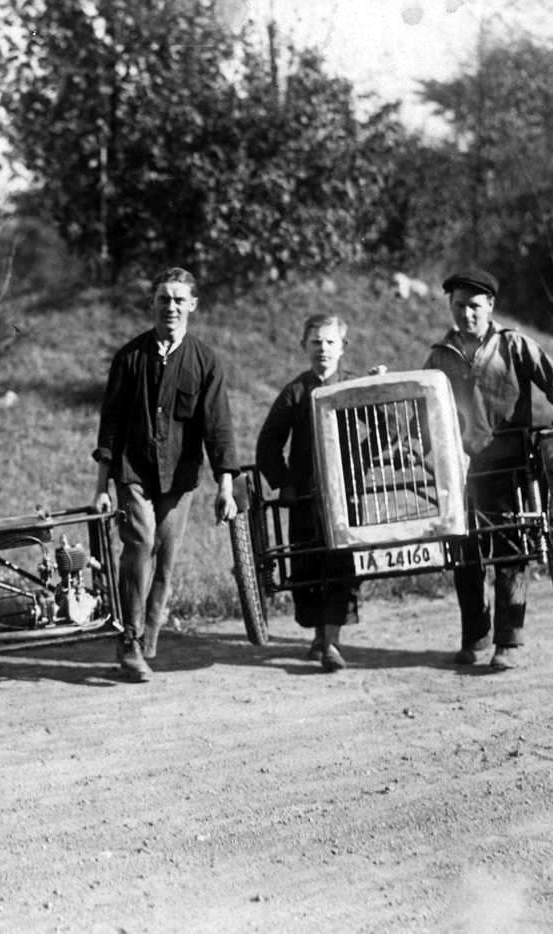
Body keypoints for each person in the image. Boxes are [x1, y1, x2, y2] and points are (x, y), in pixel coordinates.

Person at [425, 267, 553, 670]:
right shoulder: (439, 356)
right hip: (461, 470)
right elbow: (421, 409)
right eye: (459, 306)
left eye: (475, 307)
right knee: (464, 554)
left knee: (511, 552)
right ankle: (474, 638)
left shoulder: (515, 346)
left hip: (511, 467)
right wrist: (410, 444)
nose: (466, 315)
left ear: (490, 306)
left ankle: (508, 642)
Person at [92, 267, 238, 682]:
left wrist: (225, 485)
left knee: (166, 557)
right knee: (140, 542)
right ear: (152, 304)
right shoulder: (129, 358)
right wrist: (101, 486)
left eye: (178, 299)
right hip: (133, 470)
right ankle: (130, 641)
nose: (170, 307)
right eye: (163, 299)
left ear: (192, 304)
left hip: (180, 477)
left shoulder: (205, 361)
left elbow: (218, 427)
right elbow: (111, 426)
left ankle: (147, 639)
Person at [256, 315, 360, 672]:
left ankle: (332, 642)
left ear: (343, 348)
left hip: (346, 499)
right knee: (309, 568)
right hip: (305, 498)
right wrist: (284, 482)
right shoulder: (296, 391)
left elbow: (384, 427)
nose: (323, 350)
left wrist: (361, 465)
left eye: (331, 342)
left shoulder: (353, 387)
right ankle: (319, 635)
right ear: (304, 347)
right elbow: (268, 443)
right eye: (316, 342)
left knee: (342, 566)